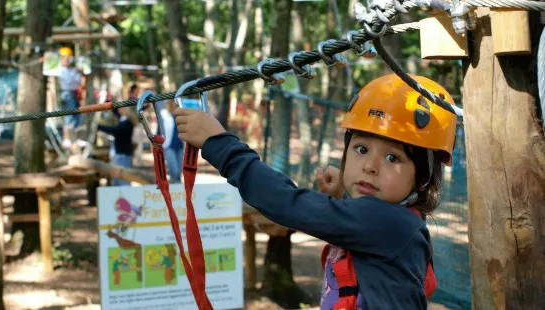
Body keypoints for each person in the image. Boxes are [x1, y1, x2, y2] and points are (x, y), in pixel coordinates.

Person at [173, 73, 458, 309]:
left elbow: (288, 204)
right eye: (361, 149)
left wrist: (219, 144)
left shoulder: (390, 222)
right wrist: (340, 201)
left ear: (422, 179)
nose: (370, 166)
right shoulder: (395, 222)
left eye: (393, 158)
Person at [98, 106, 137, 186]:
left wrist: (99, 127)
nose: (120, 109)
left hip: (123, 157)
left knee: (123, 182)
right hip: (119, 155)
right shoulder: (123, 120)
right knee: (116, 181)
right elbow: (115, 110)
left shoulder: (127, 123)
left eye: (123, 107)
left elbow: (115, 130)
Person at [58, 47, 83, 149]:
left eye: (69, 58)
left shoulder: (72, 70)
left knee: (77, 116)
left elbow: (77, 82)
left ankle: (74, 138)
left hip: (74, 93)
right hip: (66, 93)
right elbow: (68, 82)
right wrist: (75, 73)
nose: (68, 60)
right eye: (65, 58)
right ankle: (67, 139)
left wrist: (78, 72)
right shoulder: (59, 70)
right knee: (69, 117)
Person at [158, 101, 184, 183]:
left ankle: (178, 190)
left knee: (179, 172)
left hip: (180, 147)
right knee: (174, 171)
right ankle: (174, 189)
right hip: (168, 146)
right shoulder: (164, 116)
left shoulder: (181, 116)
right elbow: (159, 131)